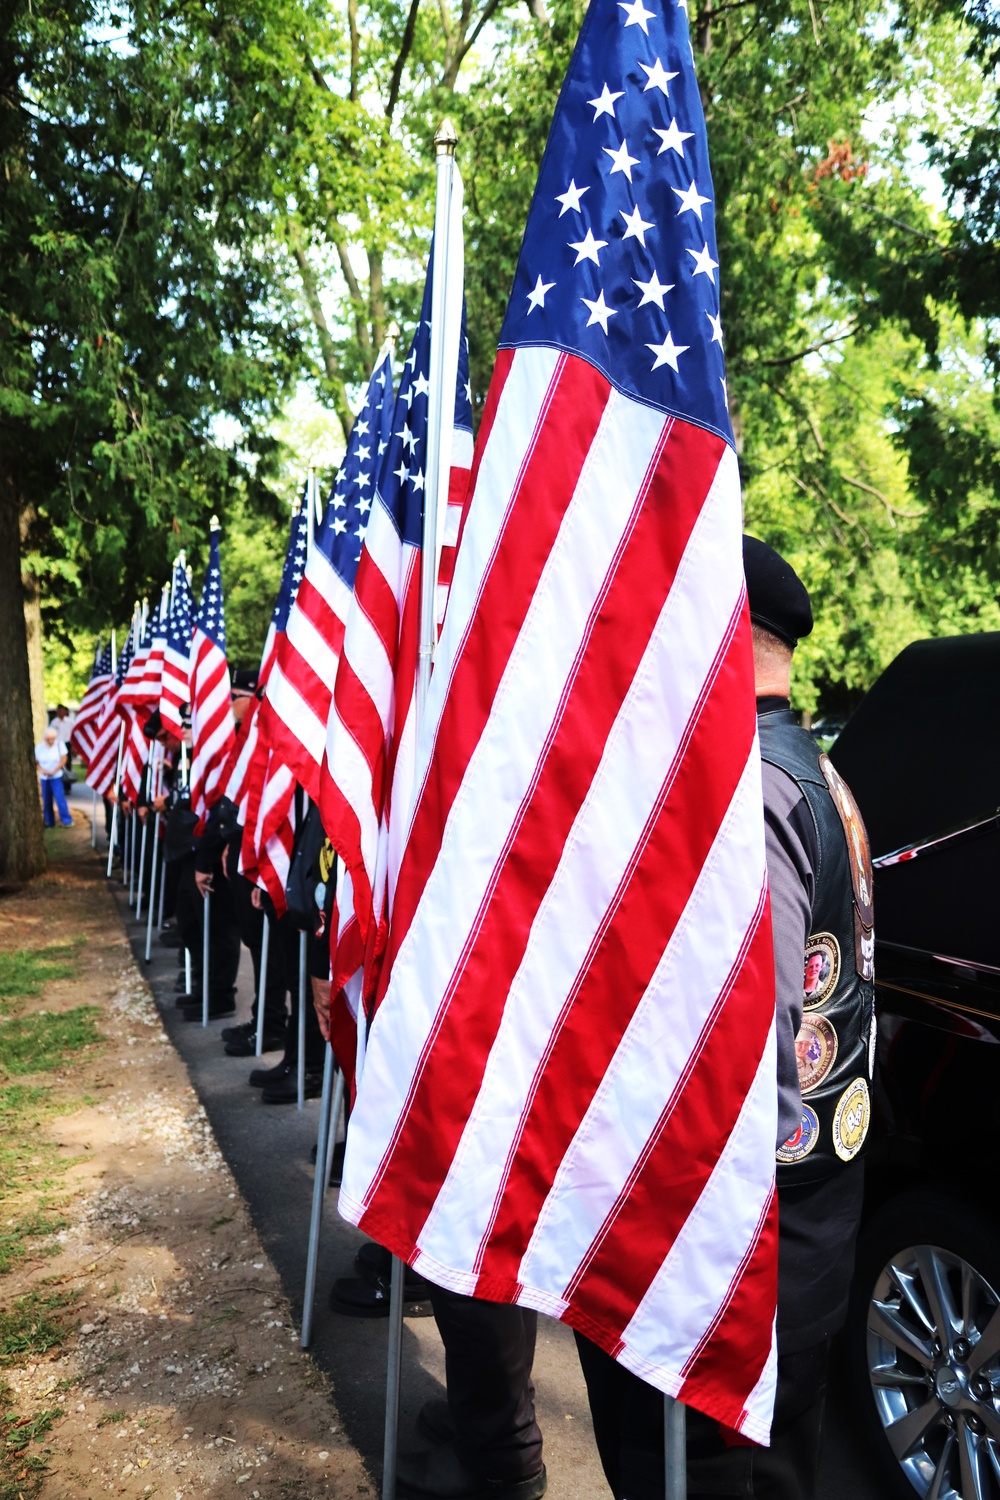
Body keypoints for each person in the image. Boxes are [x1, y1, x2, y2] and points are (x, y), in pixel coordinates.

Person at [572, 536, 876, 1500]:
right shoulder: (812, 769)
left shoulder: (749, 787)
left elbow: (746, 1052)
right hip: (803, 1224)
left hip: (734, 1251)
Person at [35, 727, 74, 828]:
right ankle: (49, 822)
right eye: (48, 739)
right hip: (44, 777)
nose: (51, 741)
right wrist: (43, 771)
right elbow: (36, 763)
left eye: (52, 738)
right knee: (46, 800)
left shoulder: (59, 745)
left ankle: (67, 820)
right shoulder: (39, 747)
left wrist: (53, 770)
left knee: (59, 798)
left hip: (56, 776)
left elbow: (64, 759)